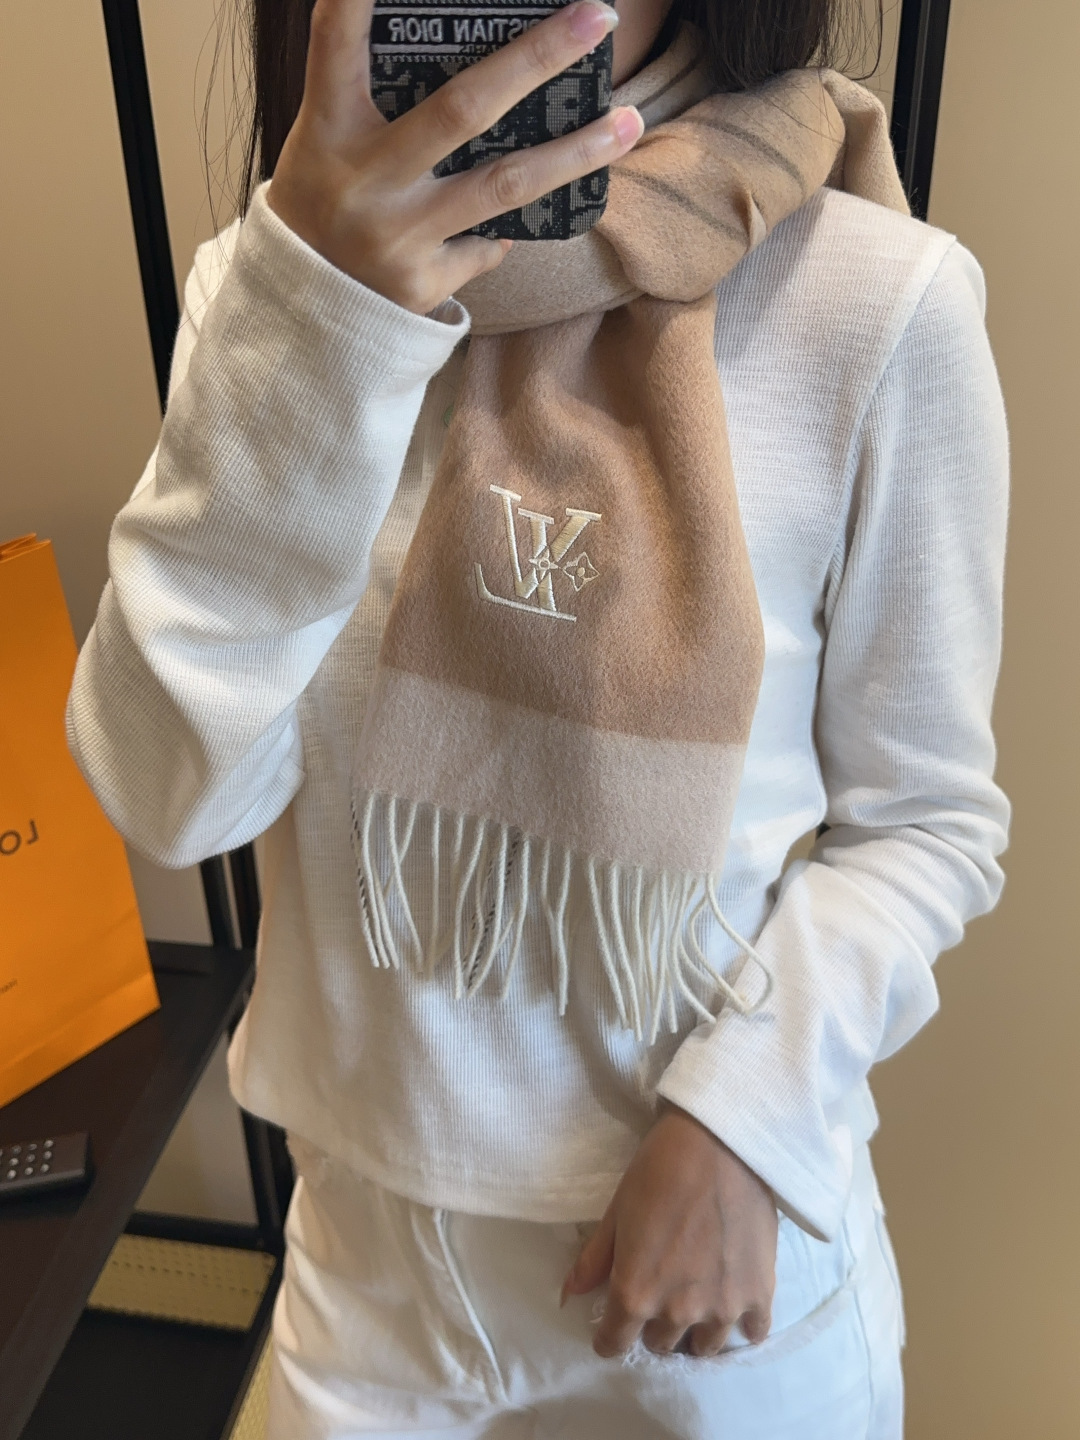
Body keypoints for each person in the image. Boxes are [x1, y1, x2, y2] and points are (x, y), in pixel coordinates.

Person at [67, 0, 1009, 1433]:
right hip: (364, 1281)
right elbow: (169, 794)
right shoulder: (266, 294)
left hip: (708, 1268)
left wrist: (748, 1123)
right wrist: (321, 323)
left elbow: (926, 822)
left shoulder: (875, 299)